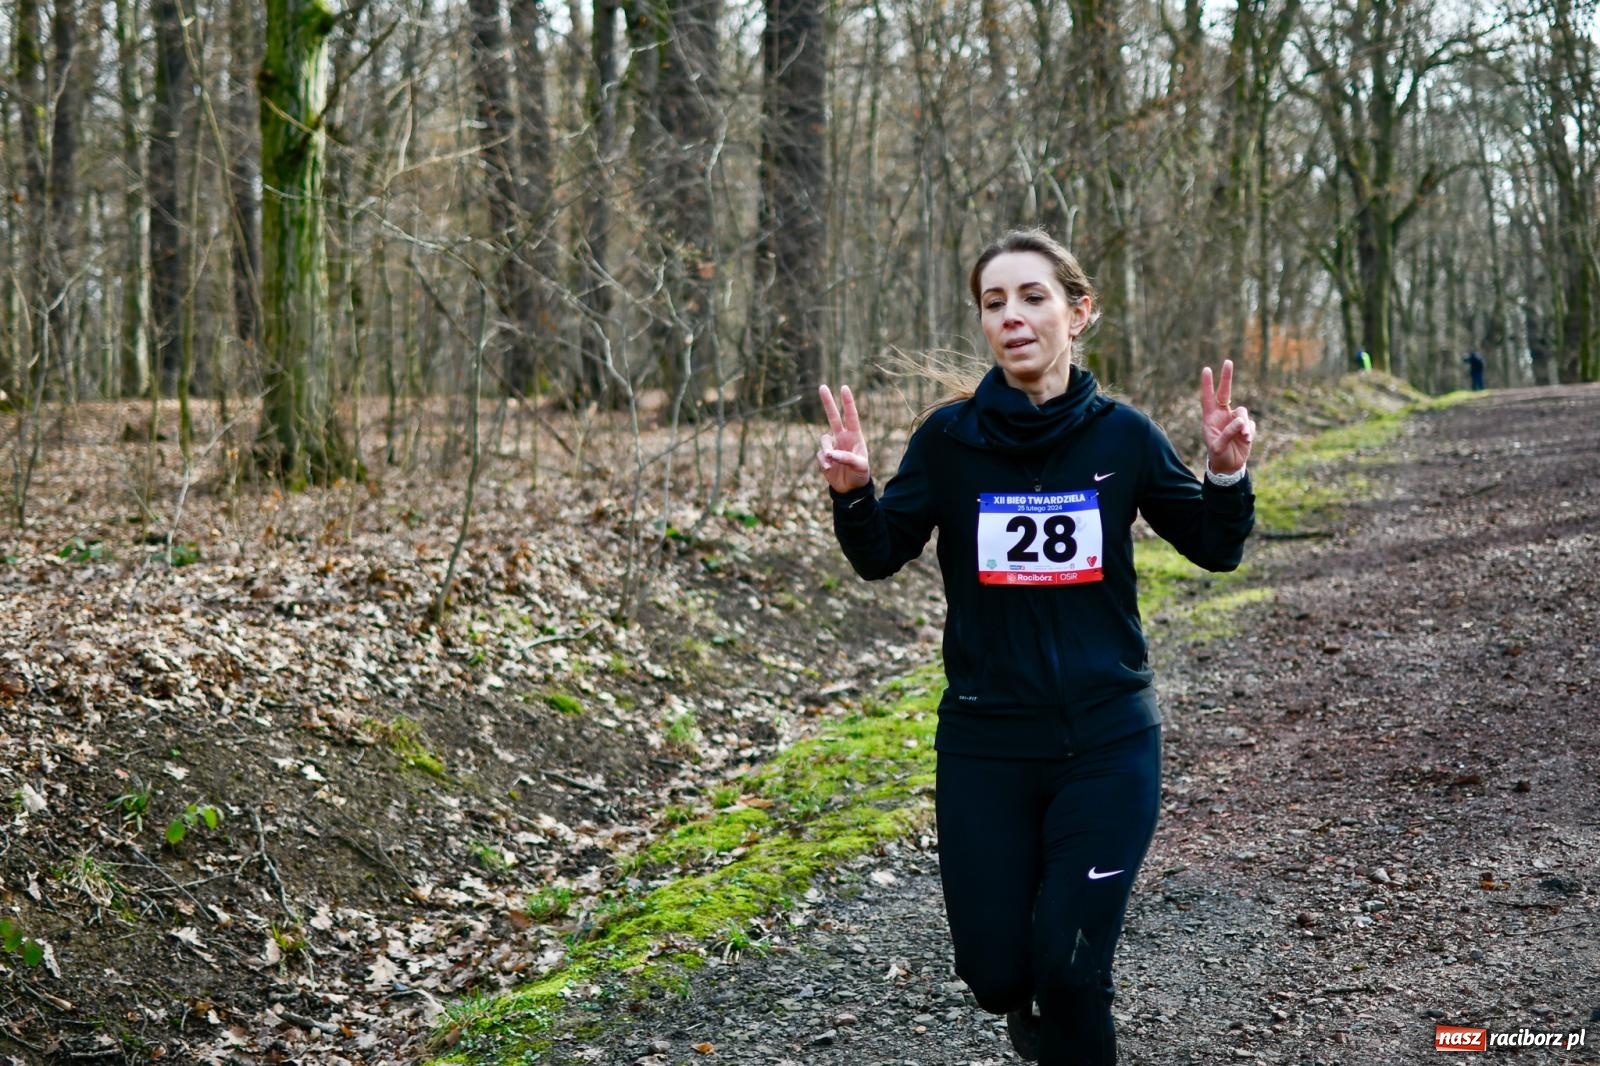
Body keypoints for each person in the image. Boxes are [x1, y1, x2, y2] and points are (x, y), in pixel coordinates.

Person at [815, 228, 1256, 1065]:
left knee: (1070, 963)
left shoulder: (1122, 437)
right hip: (987, 742)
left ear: (1078, 313)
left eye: (1032, 296)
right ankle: (1045, 993)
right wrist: (854, 493)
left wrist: (1225, 474)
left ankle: (1075, 990)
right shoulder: (948, 441)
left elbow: (1214, 546)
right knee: (994, 973)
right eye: (993, 302)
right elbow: (880, 554)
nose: (1011, 317)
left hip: (1108, 737)